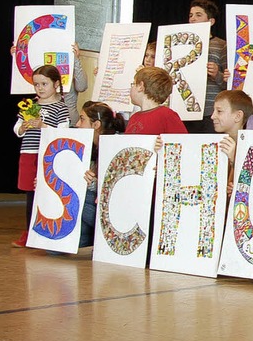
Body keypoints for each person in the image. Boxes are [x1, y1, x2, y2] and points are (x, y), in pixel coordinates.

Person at [12, 65, 70, 248]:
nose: (40, 88)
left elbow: (64, 133)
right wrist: (22, 127)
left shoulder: (61, 108)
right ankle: (29, 232)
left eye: (44, 83)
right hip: (29, 154)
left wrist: (43, 126)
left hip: (48, 156)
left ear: (56, 84)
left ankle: (46, 232)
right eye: (36, 84)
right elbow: (17, 127)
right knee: (31, 194)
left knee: (47, 193)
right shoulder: (30, 106)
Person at [73, 101, 126, 248]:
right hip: (98, 206)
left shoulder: (115, 147)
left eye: (82, 119)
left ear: (96, 125)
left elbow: (118, 190)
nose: (77, 124)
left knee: (74, 198)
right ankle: (87, 240)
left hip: (113, 213)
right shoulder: (91, 148)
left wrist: (94, 183)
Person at [11, 42, 88, 127]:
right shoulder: (38, 69)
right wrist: (18, 56)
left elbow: (82, 87)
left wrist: (76, 59)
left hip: (69, 123)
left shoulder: (67, 60)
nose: (40, 87)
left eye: (44, 84)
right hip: (39, 123)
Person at [186, 0, 227, 133]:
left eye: (198, 15)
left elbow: (231, 83)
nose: (193, 19)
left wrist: (217, 74)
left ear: (211, 21)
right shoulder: (182, 45)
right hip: (185, 108)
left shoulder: (221, 45)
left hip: (210, 112)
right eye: (191, 15)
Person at [210, 89, 253, 193]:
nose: (212, 116)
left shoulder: (251, 148)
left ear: (238, 116)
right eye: (214, 111)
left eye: (219, 111)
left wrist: (235, 159)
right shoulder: (213, 144)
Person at [125, 66, 188, 135]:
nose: (131, 88)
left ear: (141, 86)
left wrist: (162, 144)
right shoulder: (134, 118)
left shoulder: (166, 115)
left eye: (133, 84)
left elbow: (182, 142)